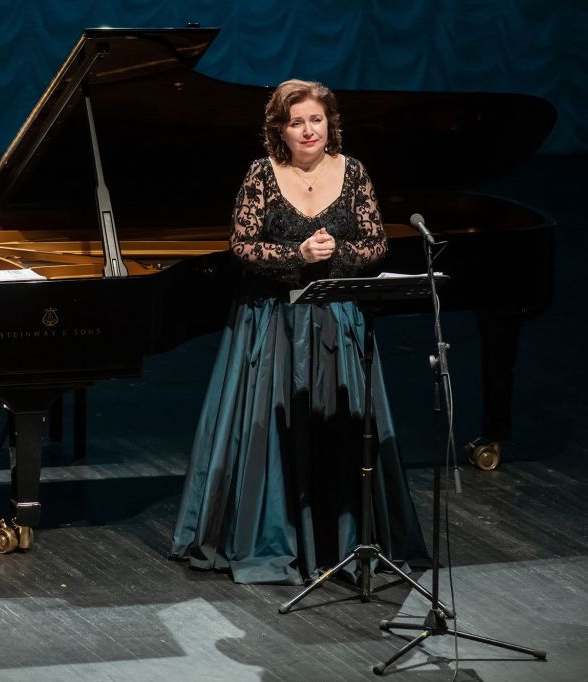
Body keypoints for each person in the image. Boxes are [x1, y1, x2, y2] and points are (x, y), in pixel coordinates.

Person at [169, 80, 428, 585]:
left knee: (340, 426)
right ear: (280, 131)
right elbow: (242, 245)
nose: (308, 130)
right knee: (269, 430)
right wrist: (297, 254)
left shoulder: (353, 172)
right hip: (273, 323)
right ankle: (270, 536)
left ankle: (340, 540)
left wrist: (335, 253)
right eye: (296, 122)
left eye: (316, 119)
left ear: (330, 124)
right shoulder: (261, 174)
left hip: (336, 319)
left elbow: (376, 242)